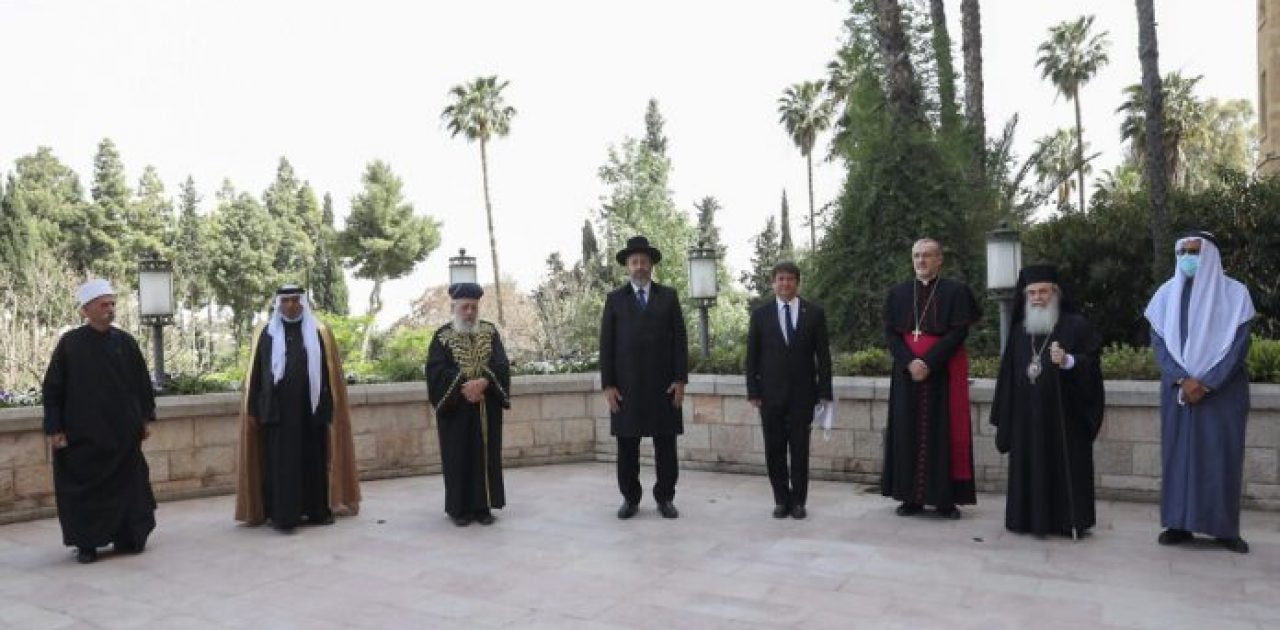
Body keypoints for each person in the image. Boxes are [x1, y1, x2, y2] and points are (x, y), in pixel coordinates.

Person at [1145, 231, 1255, 553]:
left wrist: (1206, 382)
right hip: (1178, 393)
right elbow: (1159, 344)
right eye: (1183, 252)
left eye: (1194, 251)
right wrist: (1182, 379)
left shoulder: (1236, 295)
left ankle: (1224, 529)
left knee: (1221, 459)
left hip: (1223, 394)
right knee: (1178, 458)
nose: (1187, 258)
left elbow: (1238, 347)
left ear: (1211, 256)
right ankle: (1178, 524)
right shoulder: (1165, 294)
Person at [42, 279, 157, 564]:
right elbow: (53, 389)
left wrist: (145, 418)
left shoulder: (125, 343)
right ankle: (87, 544)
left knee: (129, 488)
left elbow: (141, 384)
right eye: (104, 305)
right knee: (85, 493)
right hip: (84, 439)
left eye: (112, 304)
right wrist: (55, 428)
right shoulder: (69, 345)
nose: (110, 310)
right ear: (86, 310)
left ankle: (129, 536)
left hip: (122, 436)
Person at [990, 265, 1104, 538]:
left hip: (1065, 418)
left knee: (1063, 467)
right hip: (1025, 419)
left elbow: (1092, 366)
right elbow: (1007, 375)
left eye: (1043, 291)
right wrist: (1004, 416)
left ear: (1056, 293)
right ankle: (1026, 519)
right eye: (1032, 293)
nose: (1037, 297)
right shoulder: (1019, 331)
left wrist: (1068, 361)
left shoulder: (1076, 326)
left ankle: (1068, 522)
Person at [235, 285, 361, 531]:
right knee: (281, 465)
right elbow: (256, 376)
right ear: (278, 304)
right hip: (278, 414)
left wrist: (327, 407)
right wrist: (253, 410)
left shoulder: (319, 331)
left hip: (310, 411)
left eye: (296, 301)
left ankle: (316, 511)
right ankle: (284, 515)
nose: (291, 306)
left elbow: (329, 374)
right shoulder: (266, 333)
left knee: (313, 462)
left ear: (303, 303)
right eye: (286, 301)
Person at [881, 238, 980, 519]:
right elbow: (891, 334)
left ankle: (945, 500)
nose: (921, 261)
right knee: (906, 433)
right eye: (916, 256)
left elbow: (958, 333)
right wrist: (910, 362)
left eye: (927, 256)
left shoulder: (956, 292)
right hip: (906, 375)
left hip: (942, 375)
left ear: (939, 260)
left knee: (943, 433)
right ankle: (910, 497)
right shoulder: (899, 293)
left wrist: (929, 362)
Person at [600, 235, 689, 519]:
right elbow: (606, 345)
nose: (639, 266)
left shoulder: (669, 297)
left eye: (644, 262)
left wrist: (680, 380)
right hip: (626, 388)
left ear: (651, 265)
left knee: (666, 446)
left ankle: (665, 498)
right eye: (634, 261)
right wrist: (608, 385)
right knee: (627, 447)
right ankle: (630, 499)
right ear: (628, 266)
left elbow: (680, 342)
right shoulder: (614, 300)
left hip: (663, 386)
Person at [746, 261, 833, 519]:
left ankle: (798, 502)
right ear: (773, 283)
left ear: (797, 282)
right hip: (769, 396)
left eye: (790, 279)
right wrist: (753, 390)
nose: (785, 283)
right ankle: (781, 499)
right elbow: (752, 357)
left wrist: (825, 391)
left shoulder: (814, 313)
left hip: (802, 395)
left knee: (799, 450)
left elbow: (824, 356)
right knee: (774, 450)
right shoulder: (760, 315)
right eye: (780, 279)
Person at [426, 282, 511, 527]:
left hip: (487, 407)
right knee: (458, 456)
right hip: (456, 409)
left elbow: (502, 364)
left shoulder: (490, 332)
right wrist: (464, 385)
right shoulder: (442, 336)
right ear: (454, 307)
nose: (470, 313)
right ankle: (459, 510)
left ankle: (483, 508)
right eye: (465, 307)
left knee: (486, 457)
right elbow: (436, 371)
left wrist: (484, 381)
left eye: (473, 307)